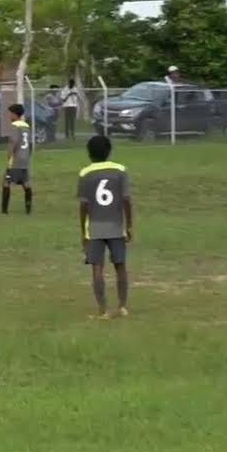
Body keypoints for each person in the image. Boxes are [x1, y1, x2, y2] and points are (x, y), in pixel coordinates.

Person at [78, 135, 134, 319]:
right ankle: (123, 306)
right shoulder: (120, 170)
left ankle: (102, 309)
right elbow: (126, 200)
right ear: (109, 151)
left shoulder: (85, 174)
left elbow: (84, 205)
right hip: (116, 225)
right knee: (120, 265)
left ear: (89, 154)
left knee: (97, 267)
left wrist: (83, 232)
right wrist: (129, 225)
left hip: (95, 226)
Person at [2, 104, 33, 214]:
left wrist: (9, 154)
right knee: (26, 183)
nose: (9, 115)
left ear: (15, 114)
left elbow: (13, 141)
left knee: (6, 183)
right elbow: (30, 143)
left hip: (15, 159)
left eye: (10, 113)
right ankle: (28, 209)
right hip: (24, 158)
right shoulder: (26, 126)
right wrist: (27, 155)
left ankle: (4, 210)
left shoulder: (15, 126)